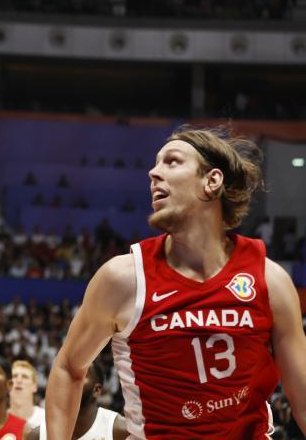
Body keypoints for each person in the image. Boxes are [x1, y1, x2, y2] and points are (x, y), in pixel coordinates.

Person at [45, 127, 306, 439]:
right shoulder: (123, 279)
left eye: (171, 162)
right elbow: (68, 368)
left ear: (212, 181)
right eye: (155, 164)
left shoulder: (269, 280)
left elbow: (302, 399)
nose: (153, 172)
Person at [26, 363, 125, 440]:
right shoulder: (38, 436)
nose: (69, 380)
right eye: (67, 375)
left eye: (81, 374)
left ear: (96, 390)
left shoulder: (118, 429)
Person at [9, 360, 44, 430]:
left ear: (35, 386)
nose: (19, 380)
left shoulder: (46, 419)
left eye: (25, 377)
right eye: (14, 376)